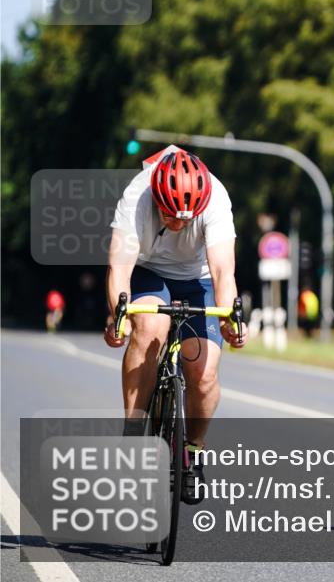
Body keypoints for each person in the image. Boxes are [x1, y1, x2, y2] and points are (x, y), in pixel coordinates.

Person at [103, 146, 246, 505]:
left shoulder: (216, 198)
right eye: (170, 214)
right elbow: (119, 270)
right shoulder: (137, 195)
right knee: (149, 329)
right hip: (150, 273)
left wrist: (231, 317)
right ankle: (134, 430)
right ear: (157, 198)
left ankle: (193, 452)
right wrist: (119, 316)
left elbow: (222, 272)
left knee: (204, 372)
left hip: (197, 279)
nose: (179, 223)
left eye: (186, 217)